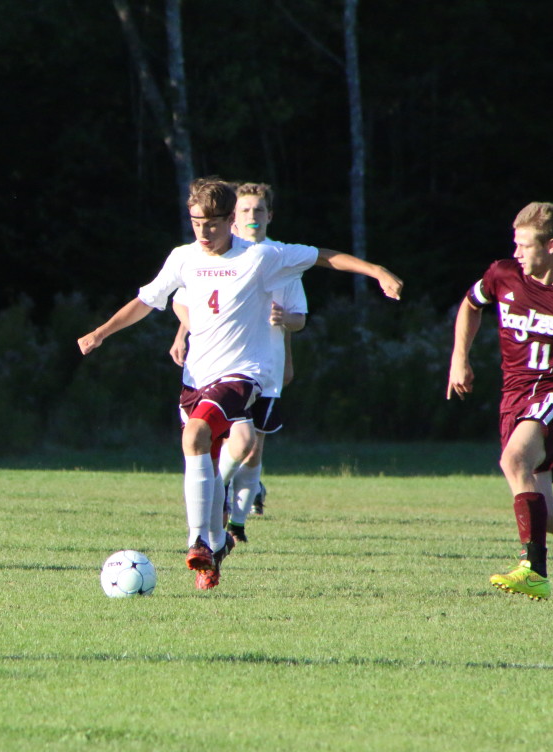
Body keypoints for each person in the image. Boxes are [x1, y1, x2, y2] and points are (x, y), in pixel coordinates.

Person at [78, 177, 402, 590]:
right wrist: (101, 332)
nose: (203, 232)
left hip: (242, 374)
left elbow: (323, 256)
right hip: (196, 377)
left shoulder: (261, 256)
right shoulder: (183, 258)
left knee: (196, 435)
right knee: (209, 464)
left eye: (212, 224)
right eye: (196, 223)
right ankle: (215, 546)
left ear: (230, 220)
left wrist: (377, 271)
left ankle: (197, 540)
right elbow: (146, 301)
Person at [170, 183, 308, 539]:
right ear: (233, 217)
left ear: (269, 216)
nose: (252, 216)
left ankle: (232, 516)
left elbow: (298, 317)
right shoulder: (207, 256)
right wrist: (183, 334)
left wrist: (287, 346)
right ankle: (217, 504)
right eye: (245, 210)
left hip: (263, 369)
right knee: (228, 440)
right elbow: (188, 301)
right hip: (217, 368)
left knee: (251, 446)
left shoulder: (277, 258)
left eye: (258, 210)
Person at [448, 201, 553, 601]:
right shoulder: (503, 274)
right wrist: (459, 358)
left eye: (525, 245)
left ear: (551, 245)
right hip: (514, 398)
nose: (516, 253)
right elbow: (471, 305)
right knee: (546, 516)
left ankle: (533, 571)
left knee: (514, 460)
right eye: (514, 243)